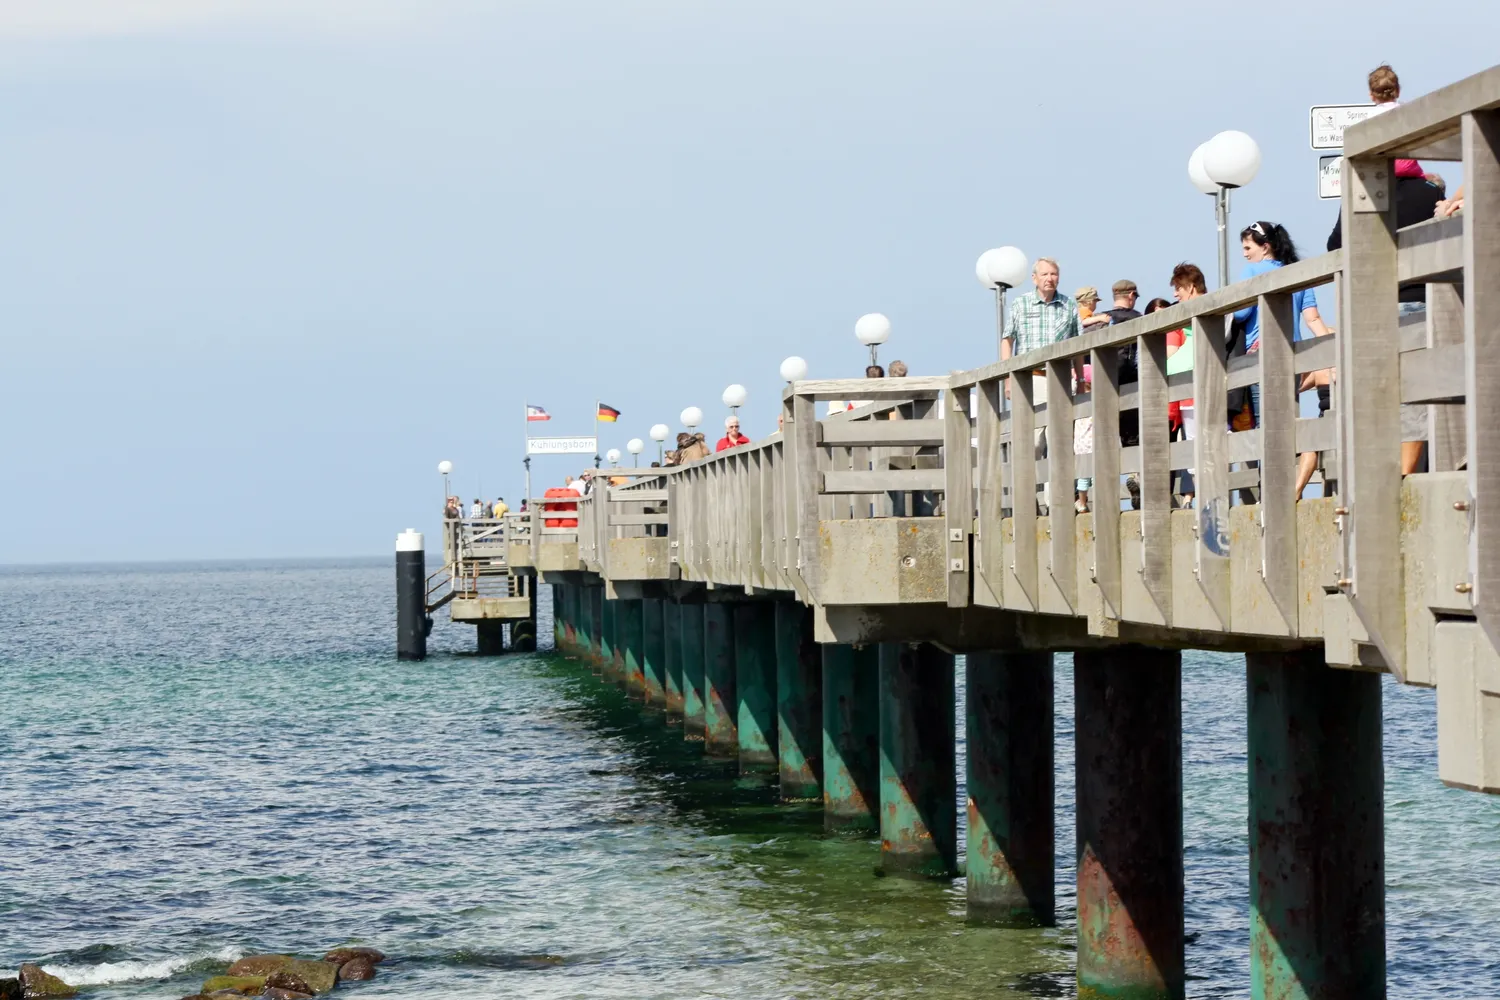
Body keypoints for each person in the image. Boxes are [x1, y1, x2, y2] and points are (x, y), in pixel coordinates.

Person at [1232, 222, 1334, 430]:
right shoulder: (1298, 272)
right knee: (1287, 421)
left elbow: (1241, 313)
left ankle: (1268, 464)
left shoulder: (1251, 270)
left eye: (1247, 248)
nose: (1244, 254)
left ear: (1265, 246)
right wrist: (1331, 354)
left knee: (1264, 424)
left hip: (1260, 355)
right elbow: (1313, 318)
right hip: (1293, 355)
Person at [1002, 257, 1083, 513]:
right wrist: (1007, 377)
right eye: (1045, 274)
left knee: (1060, 441)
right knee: (1034, 442)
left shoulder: (1068, 305)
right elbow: (1008, 340)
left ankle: (1056, 502)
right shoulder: (1021, 304)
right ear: (1035, 278)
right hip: (1031, 378)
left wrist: (1080, 379)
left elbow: (1078, 345)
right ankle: (1030, 498)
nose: (1050, 278)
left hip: (1060, 379)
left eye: (1054, 274)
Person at [1168, 264, 1209, 507]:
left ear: (1191, 287)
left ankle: (1207, 499)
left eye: (1179, 288)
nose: (1176, 294)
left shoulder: (1206, 308)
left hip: (1197, 392)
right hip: (1189, 391)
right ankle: (1205, 498)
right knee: (1196, 447)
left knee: (1198, 447)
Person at [1366, 65, 1426, 181]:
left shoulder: (1371, 116)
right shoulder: (1406, 110)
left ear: (1372, 96)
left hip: (1382, 169)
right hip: (1408, 168)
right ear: (1398, 91)